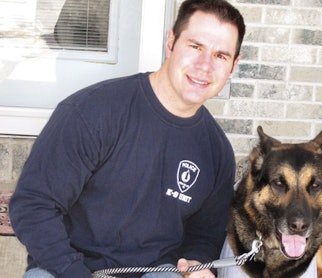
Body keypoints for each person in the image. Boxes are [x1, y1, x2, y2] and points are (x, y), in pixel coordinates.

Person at [9, 0, 245, 277]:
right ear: (170, 42)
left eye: (220, 56)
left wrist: (196, 261)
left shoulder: (216, 152)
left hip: (154, 272)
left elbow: (204, 235)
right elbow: (33, 206)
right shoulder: (93, 112)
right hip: (66, 267)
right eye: (195, 47)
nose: (205, 66)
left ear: (233, 65)